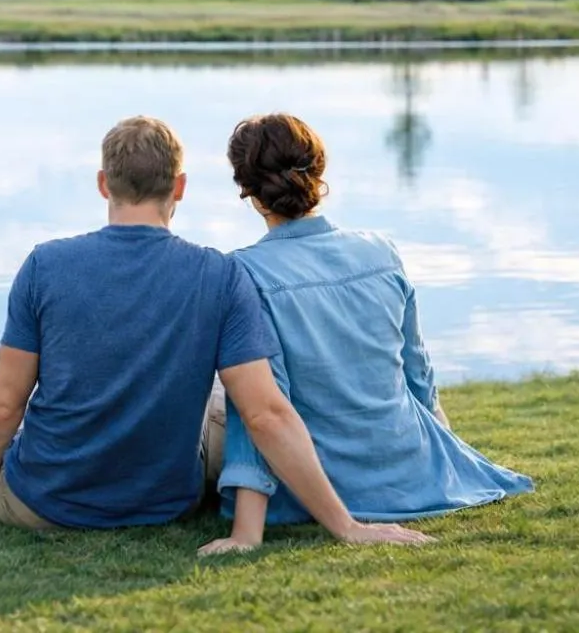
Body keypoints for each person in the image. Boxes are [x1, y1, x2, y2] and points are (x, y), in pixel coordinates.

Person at [0, 115, 431, 550]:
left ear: (102, 182)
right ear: (180, 187)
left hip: (48, 501)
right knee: (224, 399)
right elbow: (266, 413)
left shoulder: (46, 265)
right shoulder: (220, 273)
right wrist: (346, 526)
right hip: (169, 501)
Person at [201, 113, 534, 556]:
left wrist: (247, 533)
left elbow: (263, 411)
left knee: (225, 393)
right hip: (412, 472)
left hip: (317, 485)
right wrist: (439, 466)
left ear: (247, 190)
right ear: (318, 173)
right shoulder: (382, 250)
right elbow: (418, 373)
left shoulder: (242, 272)